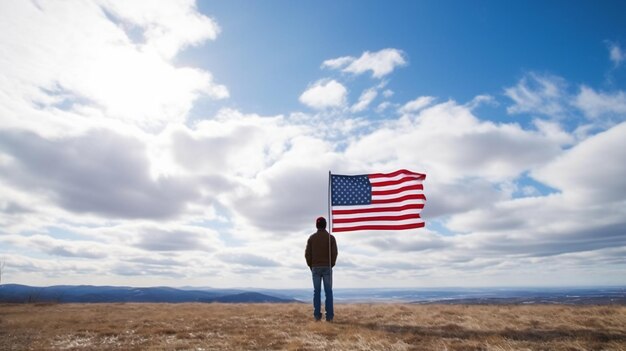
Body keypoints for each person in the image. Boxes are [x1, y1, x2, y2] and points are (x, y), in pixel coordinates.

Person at [305, 216, 338, 322]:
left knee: (317, 292)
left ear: (316, 225)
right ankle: (329, 317)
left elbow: (307, 254)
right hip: (327, 267)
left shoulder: (311, 238)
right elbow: (334, 253)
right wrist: (331, 264)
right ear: (325, 225)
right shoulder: (331, 238)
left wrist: (311, 265)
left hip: (315, 267)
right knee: (328, 292)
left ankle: (317, 316)